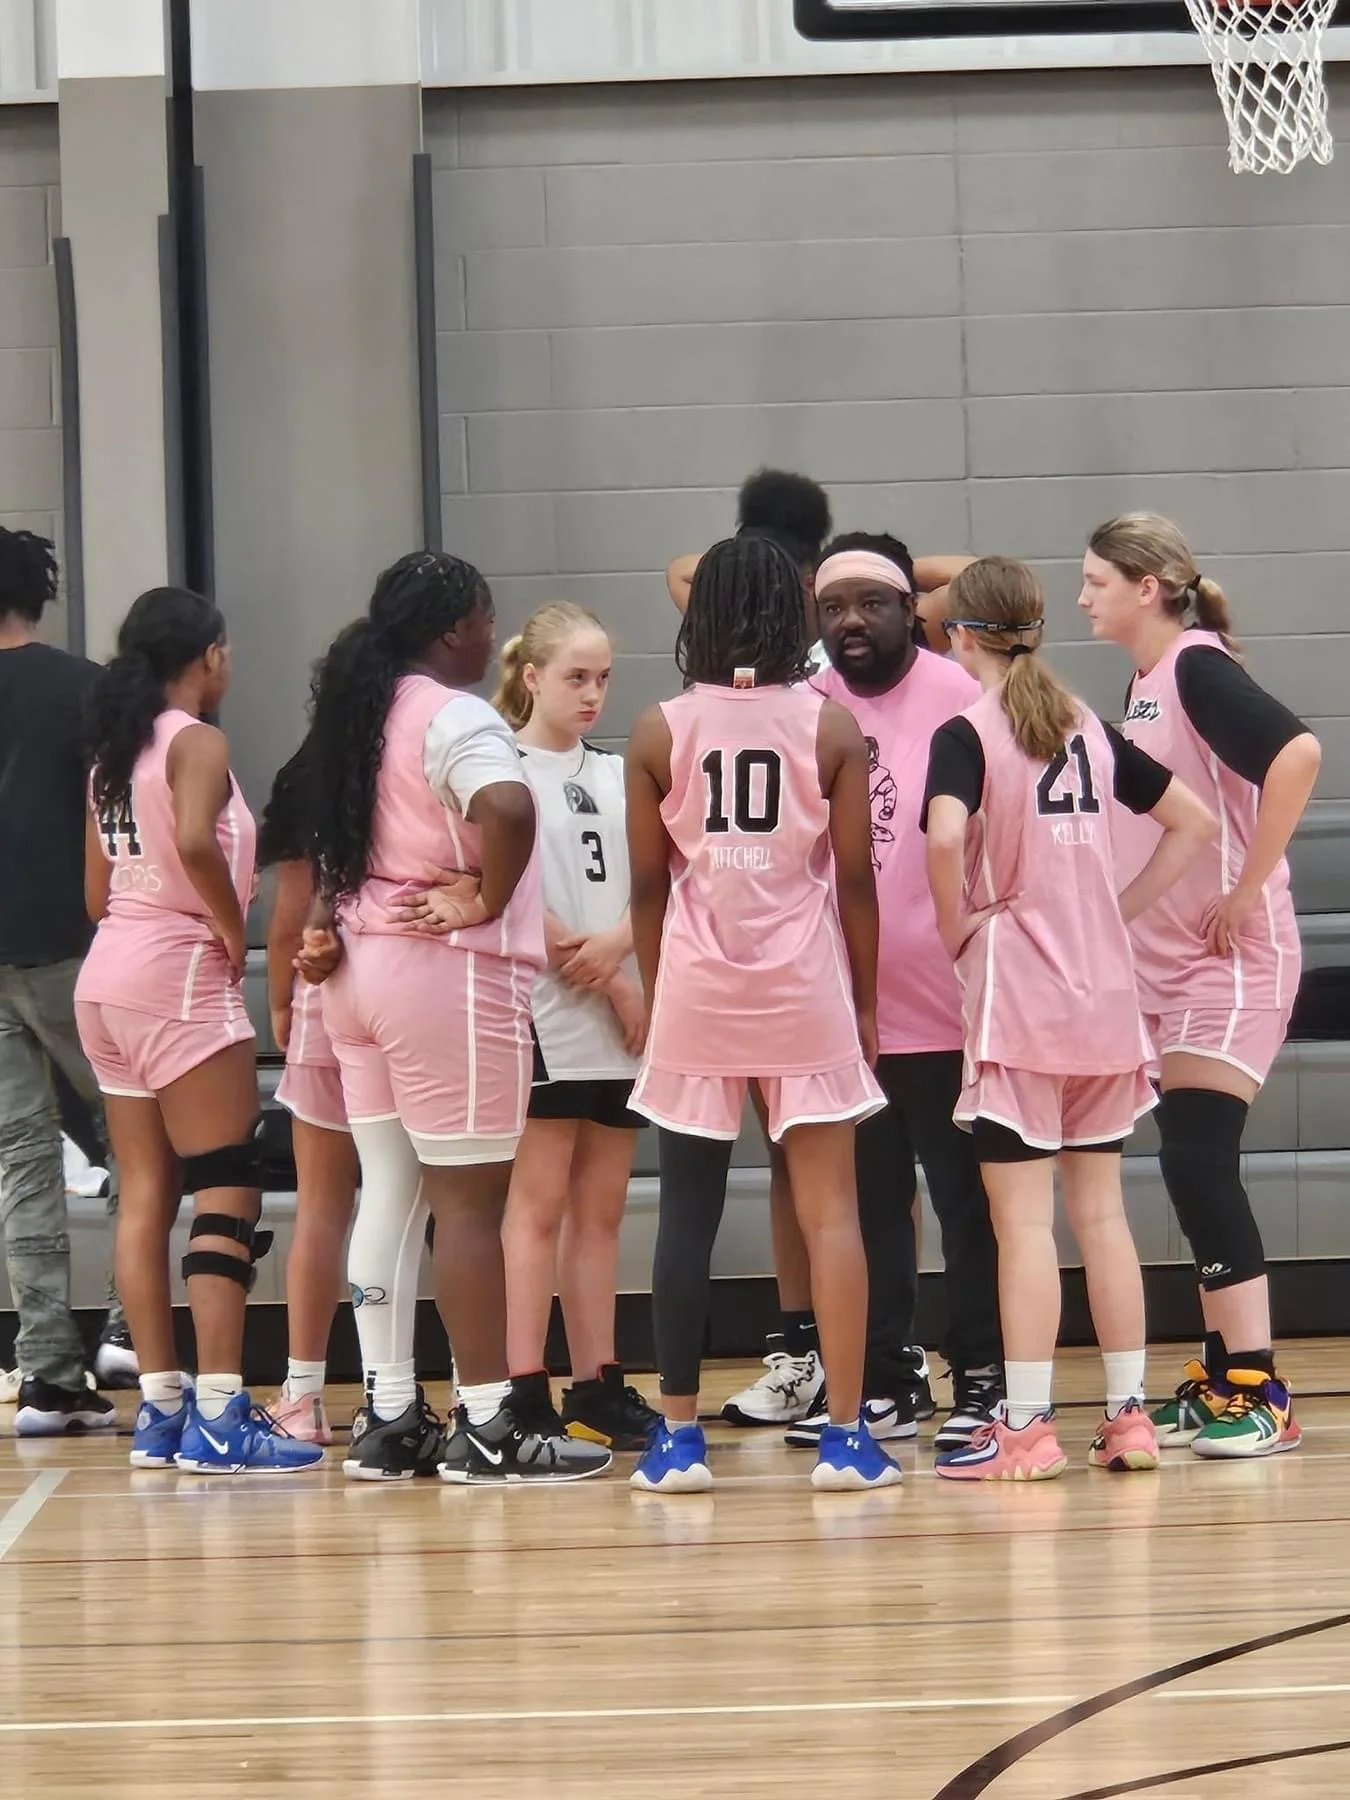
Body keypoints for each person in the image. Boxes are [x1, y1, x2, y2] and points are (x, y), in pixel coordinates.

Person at [304, 550, 610, 1484]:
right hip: (443, 974)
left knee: (389, 1196)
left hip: (358, 967)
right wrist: (485, 898)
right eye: (483, 620)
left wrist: (322, 923)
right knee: (471, 1208)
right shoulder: (454, 712)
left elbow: (331, 841)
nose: (490, 636)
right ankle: (488, 1425)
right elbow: (507, 805)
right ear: (451, 630)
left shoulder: (361, 708)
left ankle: (390, 1416)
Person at [924, 557, 1217, 1480]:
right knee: (1103, 1216)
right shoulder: (1086, 723)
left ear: (961, 636)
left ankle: (1026, 1426)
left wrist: (956, 925)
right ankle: (1130, 1418)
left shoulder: (967, 732)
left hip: (1022, 1001)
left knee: (1024, 1228)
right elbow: (1195, 821)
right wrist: (1112, 913)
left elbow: (942, 834)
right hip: (1104, 1003)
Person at [626, 533, 898, 1493]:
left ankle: (677, 1441)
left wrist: (657, 995)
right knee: (833, 1215)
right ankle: (846, 1439)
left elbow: (647, 891)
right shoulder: (832, 728)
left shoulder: (657, 729)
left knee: (686, 1216)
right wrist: (867, 1003)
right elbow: (857, 884)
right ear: (795, 613)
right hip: (803, 991)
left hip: (697, 993)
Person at [1082, 514, 1321, 1459]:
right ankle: (1223, 1374)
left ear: (1147, 587)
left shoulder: (1193, 666)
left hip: (1231, 957)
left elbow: (1297, 754)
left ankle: (1261, 1387)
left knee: (1196, 1158)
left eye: (1097, 580)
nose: (1083, 596)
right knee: (1187, 1161)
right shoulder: (1145, 682)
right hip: (1167, 962)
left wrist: (1249, 886)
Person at [77, 586, 322, 1473]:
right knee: (227, 1182)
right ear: (208, 655)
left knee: (144, 1192)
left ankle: (162, 1410)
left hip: (106, 976)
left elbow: (96, 895)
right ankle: (221, 1413)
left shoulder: (112, 754)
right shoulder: (197, 741)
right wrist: (226, 923)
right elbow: (192, 840)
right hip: (174, 974)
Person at [787, 532, 1004, 1456]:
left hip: (947, 998)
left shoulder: (961, 693)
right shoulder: (804, 704)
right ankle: (886, 1374)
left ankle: (984, 1374)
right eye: (834, 608)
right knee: (871, 1205)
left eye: (871, 605)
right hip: (842, 1004)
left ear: (910, 611)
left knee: (965, 1201)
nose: (852, 622)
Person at [491, 604, 658, 1451]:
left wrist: (624, 953)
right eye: (575, 678)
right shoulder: (502, 767)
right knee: (537, 1207)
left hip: (618, 1011)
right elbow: (510, 887)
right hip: (546, 1011)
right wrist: (609, 977)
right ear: (531, 677)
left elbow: (656, 878)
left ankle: (597, 1385)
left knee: (602, 1211)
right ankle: (524, 1388)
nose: (593, 694)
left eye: (603, 679)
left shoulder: (618, 771)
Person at [0, 526, 124, 1435]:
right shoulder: (87, 687)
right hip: (73, 949)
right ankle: (128, 1329)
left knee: (23, 1161)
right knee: (139, 1141)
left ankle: (45, 1372)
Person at [257, 737, 359, 1444]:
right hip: (412, 1002)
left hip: (325, 1004)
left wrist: (279, 1002)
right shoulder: (412, 759)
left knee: (321, 1208)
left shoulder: (306, 773)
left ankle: (304, 1393)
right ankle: (427, 1392)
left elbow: (289, 915)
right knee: (422, 1209)